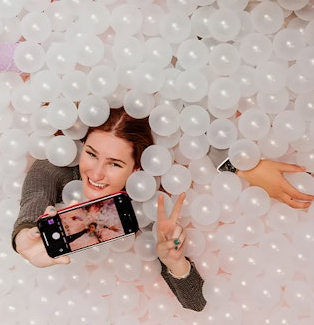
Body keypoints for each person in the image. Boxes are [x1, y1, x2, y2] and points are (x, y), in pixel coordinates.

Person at [11, 108, 206, 311]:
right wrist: (24, 232)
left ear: (137, 168)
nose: (96, 174)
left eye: (114, 164)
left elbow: (197, 304)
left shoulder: (144, 208)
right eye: (91, 154)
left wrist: (175, 264)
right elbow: (36, 194)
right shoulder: (57, 166)